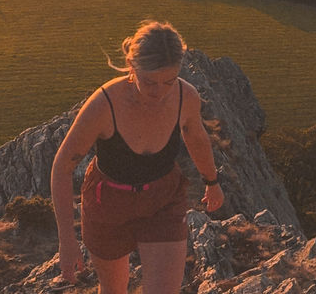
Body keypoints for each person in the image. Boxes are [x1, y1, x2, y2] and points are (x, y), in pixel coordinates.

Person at [50, 21, 224, 294]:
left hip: (163, 200)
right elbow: (62, 167)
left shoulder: (185, 97)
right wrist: (67, 241)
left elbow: (196, 137)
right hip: (108, 204)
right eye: (150, 81)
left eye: (169, 81)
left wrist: (212, 182)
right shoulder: (104, 105)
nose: (160, 91)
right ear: (132, 66)